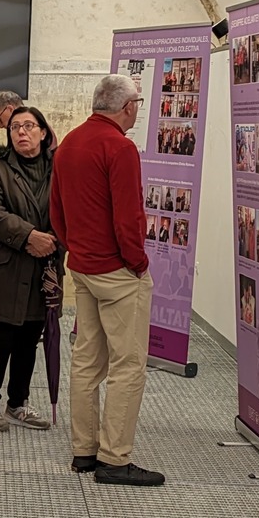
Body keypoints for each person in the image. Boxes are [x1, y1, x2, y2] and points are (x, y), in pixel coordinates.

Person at [49, 75, 165, 486]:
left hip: (82, 267)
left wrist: (74, 249)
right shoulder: (120, 147)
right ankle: (115, 458)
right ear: (127, 106)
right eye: (138, 102)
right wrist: (137, 263)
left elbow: (56, 209)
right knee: (128, 365)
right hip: (117, 271)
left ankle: (84, 451)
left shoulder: (68, 144)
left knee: (86, 361)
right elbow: (128, 217)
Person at [0, 104, 62, 432]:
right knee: (2, 336)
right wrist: (29, 236)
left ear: (43, 132)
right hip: (9, 264)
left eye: (28, 126)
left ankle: (18, 403)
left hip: (46, 268)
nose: (21, 133)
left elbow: (71, 206)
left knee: (31, 337)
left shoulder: (60, 167)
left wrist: (54, 240)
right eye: (14, 127)